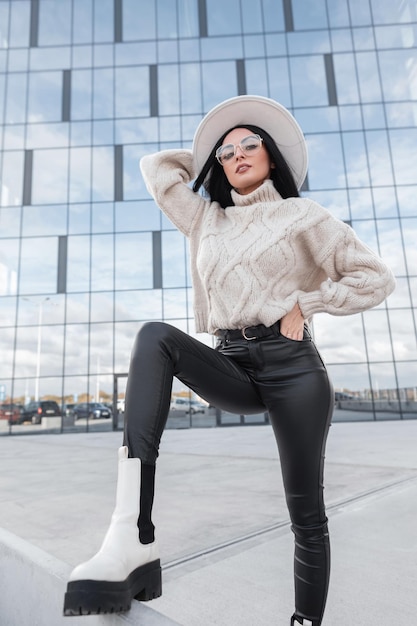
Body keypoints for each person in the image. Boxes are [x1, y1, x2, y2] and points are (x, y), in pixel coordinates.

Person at [63, 95, 395, 625]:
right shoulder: (207, 220)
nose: (237, 154)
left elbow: (375, 277)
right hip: (232, 360)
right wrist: (206, 150)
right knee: (155, 337)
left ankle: (305, 621)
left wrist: (308, 303)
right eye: (226, 151)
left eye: (250, 145)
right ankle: (132, 536)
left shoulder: (303, 214)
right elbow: (157, 171)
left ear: (272, 156)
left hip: (293, 367)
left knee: (305, 513)